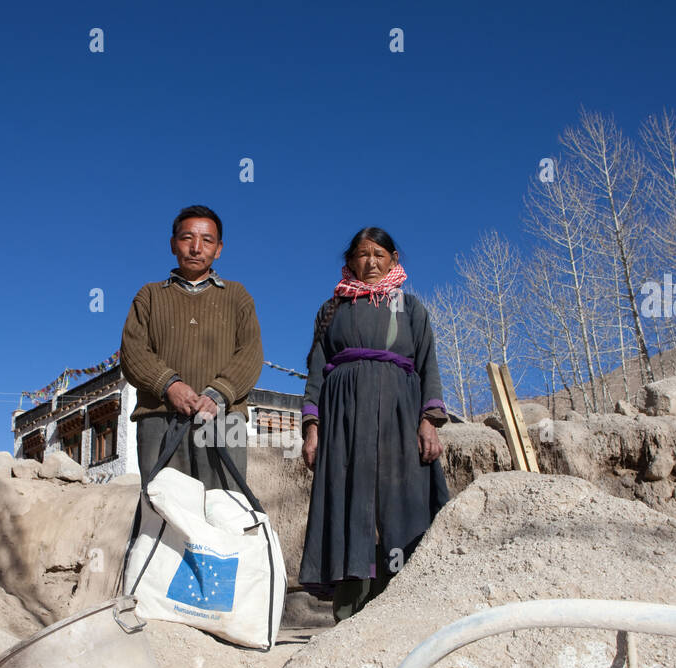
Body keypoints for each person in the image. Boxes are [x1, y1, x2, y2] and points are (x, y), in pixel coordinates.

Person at [298, 227, 451, 622]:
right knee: (348, 502)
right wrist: (312, 427)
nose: (371, 263)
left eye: (379, 254)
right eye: (362, 255)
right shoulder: (332, 309)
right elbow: (316, 370)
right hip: (342, 421)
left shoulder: (411, 307)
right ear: (349, 262)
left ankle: (404, 609)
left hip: (400, 415)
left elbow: (427, 364)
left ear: (394, 259)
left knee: (403, 503)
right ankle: (351, 613)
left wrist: (429, 420)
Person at [120, 205, 264, 490]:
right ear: (173, 244)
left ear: (219, 248)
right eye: (187, 238)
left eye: (207, 240)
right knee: (164, 512)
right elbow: (132, 351)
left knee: (225, 509)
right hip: (159, 416)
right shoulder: (149, 296)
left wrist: (218, 394)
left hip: (225, 418)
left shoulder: (237, 296)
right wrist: (170, 386)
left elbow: (251, 353)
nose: (196, 248)